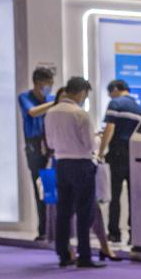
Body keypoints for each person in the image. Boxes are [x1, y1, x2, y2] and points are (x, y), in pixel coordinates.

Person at [43, 77, 101, 269]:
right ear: (82, 92)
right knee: (85, 212)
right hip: (82, 164)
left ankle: (63, 255)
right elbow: (89, 144)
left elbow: (50, 143)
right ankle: (84, 256)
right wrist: (98, 142)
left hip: (61, 164)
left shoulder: (50, 112)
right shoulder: (80, 114)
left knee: (63, 212)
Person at [97, 81, 141, 243]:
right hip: (134, 154)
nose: (110, 96)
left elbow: (110, 128)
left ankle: (114, 232)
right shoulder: (139, 108)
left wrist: (101, 151)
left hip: (117, 153)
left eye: (110, 93)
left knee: (114, 195)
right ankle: (134, 233)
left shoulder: (115, 103)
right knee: (134, 196)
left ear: (115, 90)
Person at [19, 66, 56, 245]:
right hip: (34, 148)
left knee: (50, 188)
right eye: (46, 84)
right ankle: (42, 229)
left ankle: (52, 229)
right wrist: (55, 103)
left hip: (50, 147)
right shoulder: (25, 97)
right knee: (38, 189)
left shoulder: (51, 99)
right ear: (37, 83)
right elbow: (32, 112)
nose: (48, 87)